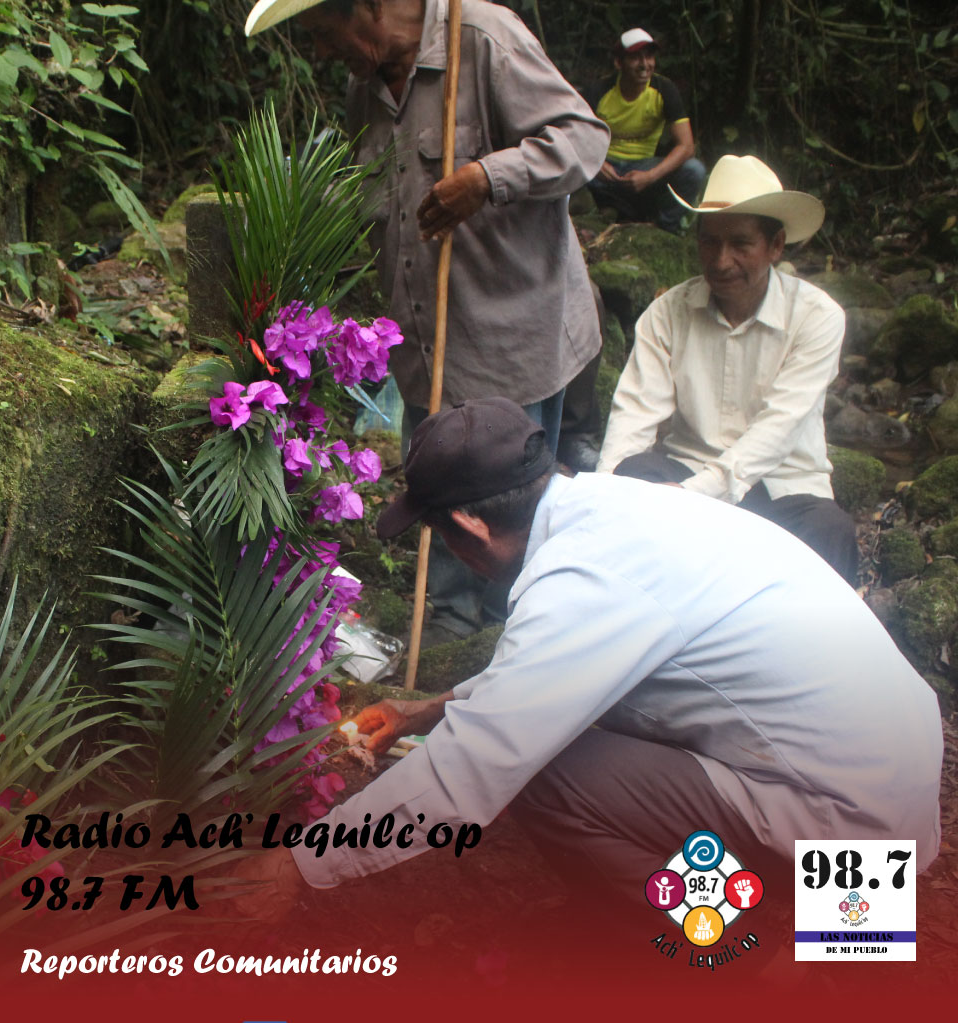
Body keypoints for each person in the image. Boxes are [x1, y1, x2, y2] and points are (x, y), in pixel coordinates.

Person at [233, 398, 942, 918]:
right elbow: (554, 675)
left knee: (544, 773)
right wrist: (430, 710)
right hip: (891, 777)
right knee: (557, 739)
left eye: (439, 534)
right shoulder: (612, 508)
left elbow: (474, 767)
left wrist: (302, 865)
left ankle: (737, 949)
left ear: (471, 525)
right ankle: (825, 931)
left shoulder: (582, 581)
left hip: (849, 838)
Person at [245, 0, 609, 642]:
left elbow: (584, 139)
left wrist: (487, 176)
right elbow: (366, 196)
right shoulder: (365, 88)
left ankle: (517, 631)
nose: (321, 53)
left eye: (323, 32)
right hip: (423, 334)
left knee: (510, 505)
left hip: (513, 331)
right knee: (439, 490)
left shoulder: (482, 36)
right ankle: (449, 623)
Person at [596, 154, 859, 584]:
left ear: (775, 245)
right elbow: (634, 414)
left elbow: (778, 429)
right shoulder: (668, 313)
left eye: (740, 244)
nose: (720, 261)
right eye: (709, 242)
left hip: (782, 489)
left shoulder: (817, 317)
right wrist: (602, 498)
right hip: (687, 472)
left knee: (830, 532)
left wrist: (692, 496)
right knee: (630, 475)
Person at [585, 27, 705, 234]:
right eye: (635, 58)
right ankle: (600, 213)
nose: (644, 64)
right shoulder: (599, 91)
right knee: (566, 164)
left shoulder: (664, 89)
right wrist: (596, 164)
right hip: (604, 171)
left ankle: (663, 229)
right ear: (619, 63)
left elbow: (686, 147)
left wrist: (649, 176)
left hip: (644, 170)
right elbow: (574, 137)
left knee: (694, 170)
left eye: (649, 57)